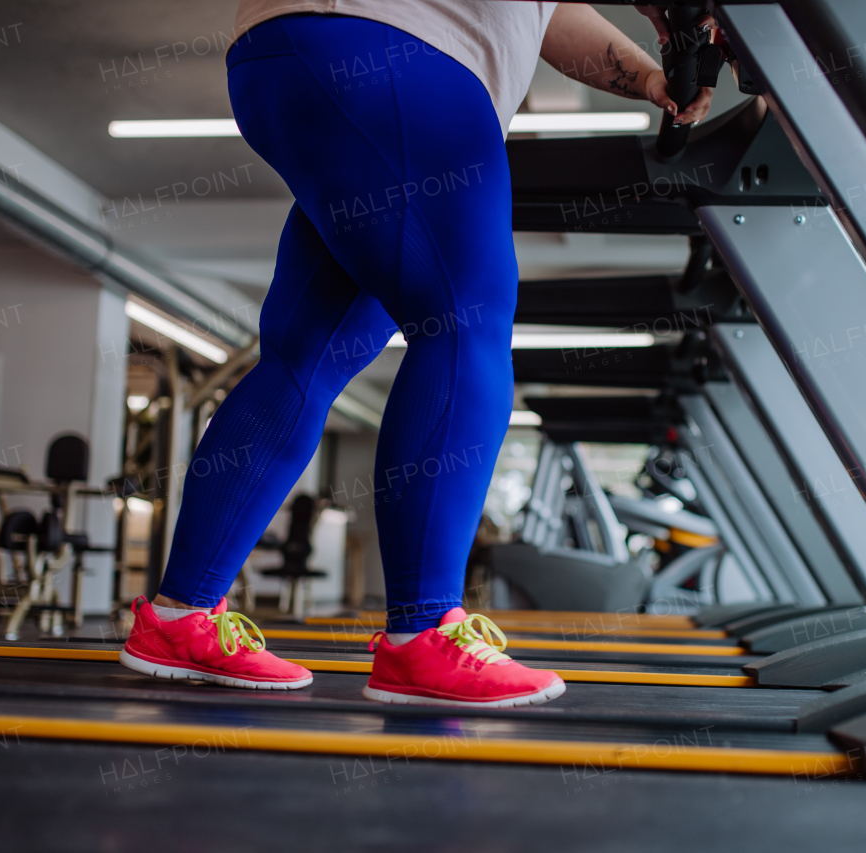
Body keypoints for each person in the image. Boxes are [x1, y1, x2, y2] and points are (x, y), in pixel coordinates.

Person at [118, 0, 714, 706]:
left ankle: (180, 614)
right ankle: (423, 634)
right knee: (469, 321)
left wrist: (651, 77)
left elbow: (551, 16)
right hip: (397, 49)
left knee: (307, 354)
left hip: (293, 58)